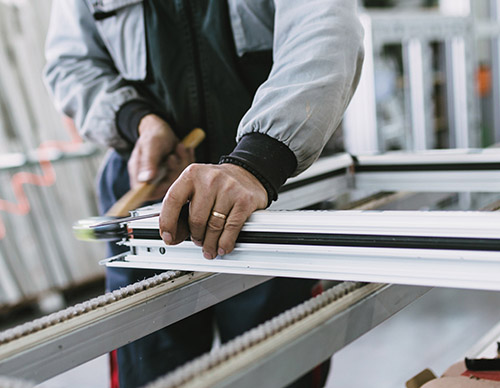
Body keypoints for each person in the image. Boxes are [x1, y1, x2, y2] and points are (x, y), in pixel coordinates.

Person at [44, 1, 364, 387]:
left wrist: (258, 160)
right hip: (149, 205)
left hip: (272, 194)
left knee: (277, 373)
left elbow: (325, 30)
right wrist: (138, 122)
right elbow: (72, 62)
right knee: (149, 372)